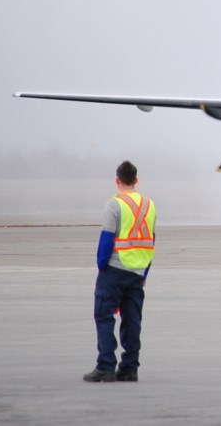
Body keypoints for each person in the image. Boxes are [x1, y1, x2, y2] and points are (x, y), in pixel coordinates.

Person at [83, 161, 157, 382]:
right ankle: (130, 368)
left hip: (115, 268)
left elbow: (106, 240)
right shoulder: (149, 204)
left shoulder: (114, 204)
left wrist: (101, 265)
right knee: (132, 319)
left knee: (104, 316)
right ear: (136, 180)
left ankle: (106, 366)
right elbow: (151, 241)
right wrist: (144, 274)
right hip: (138, 271)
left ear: (117, 181)